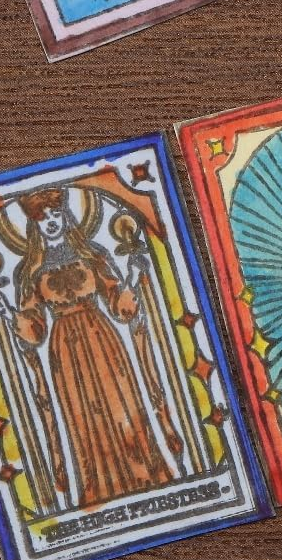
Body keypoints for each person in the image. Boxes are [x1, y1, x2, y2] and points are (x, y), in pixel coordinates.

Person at [11, 187, 179, 509]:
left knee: (124, 405)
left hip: (102, 338)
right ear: (34, 224)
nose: (51, 222)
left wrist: (131, 278)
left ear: (67, 215)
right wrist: (12, 317)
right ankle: (100, 488)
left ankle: (146, 474)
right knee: (82, 418)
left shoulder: (92, 254)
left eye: (56, 214)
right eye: (43, 218)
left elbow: (117, 303)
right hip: (65, 351)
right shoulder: (31, 271)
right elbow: (34, 328)